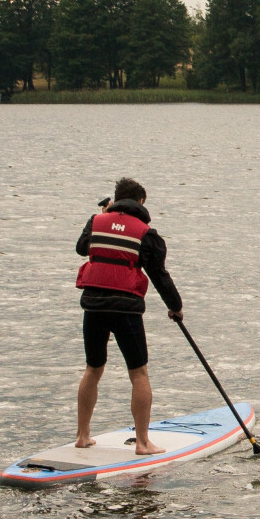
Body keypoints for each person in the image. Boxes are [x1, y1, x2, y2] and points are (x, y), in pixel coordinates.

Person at [74, 177, 183, 454]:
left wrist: (102, 217)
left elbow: (81, 248)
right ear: (141, 202)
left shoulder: (95, 222)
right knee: (138, 373)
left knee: (93, 369)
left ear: (116, 198)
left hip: (94, 306)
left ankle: (82, 436)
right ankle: (143, 443)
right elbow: (158, 275)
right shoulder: (146, 234)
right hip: (126, 310)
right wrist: (175, 306)